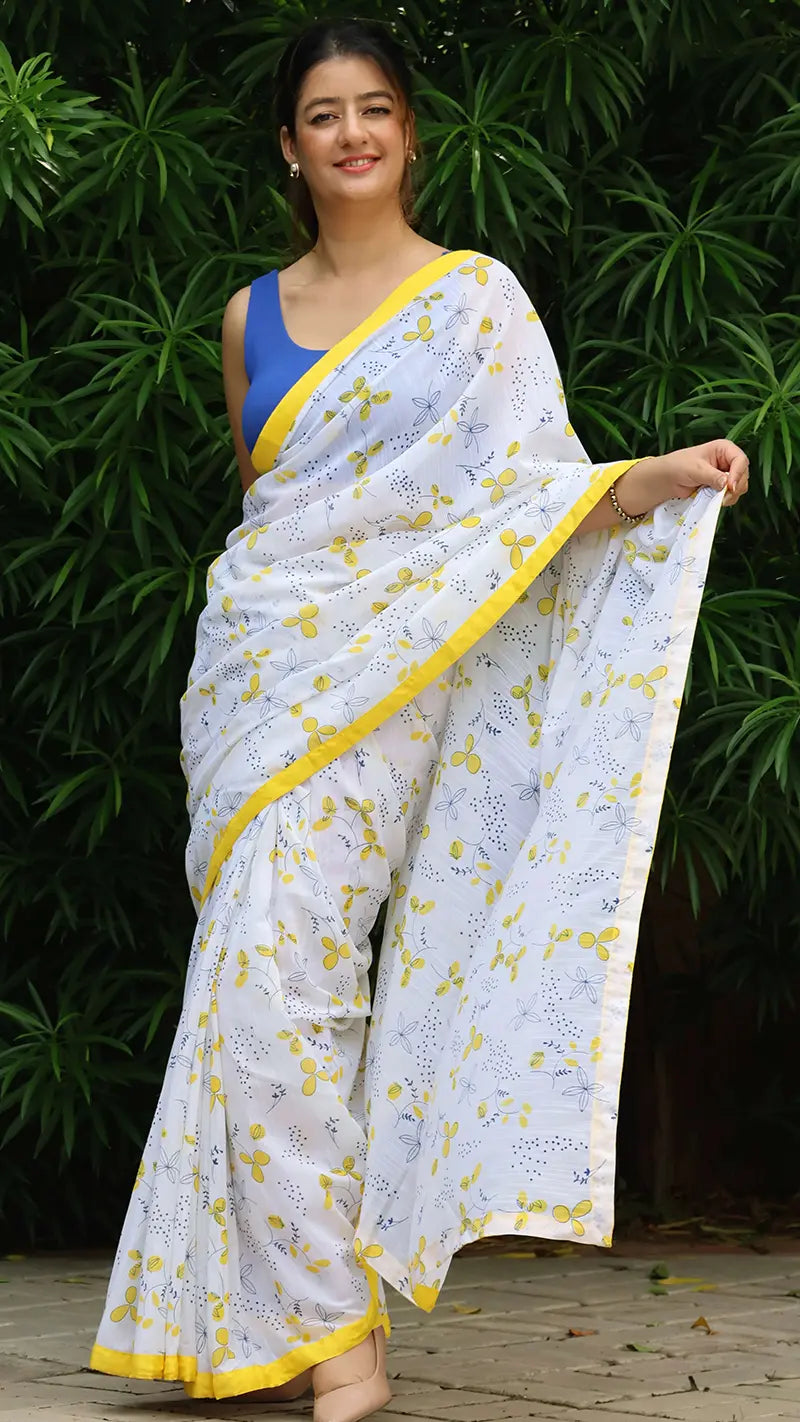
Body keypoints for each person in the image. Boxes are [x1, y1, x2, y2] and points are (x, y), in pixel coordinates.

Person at [90, 17, 748, 1421]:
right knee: (254, 991)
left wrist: (652, 477)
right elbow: (282, 520)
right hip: (257, 679)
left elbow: (522, 499)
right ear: (289, 145)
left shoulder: (477, 301)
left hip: (386, 695)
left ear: (411, 132)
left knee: (286, 983)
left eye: (376, 107)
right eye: (324, 114)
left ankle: (340, 1339)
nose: (353, 133)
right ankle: (268, 1322)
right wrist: (287, 630)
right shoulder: (248, 318)